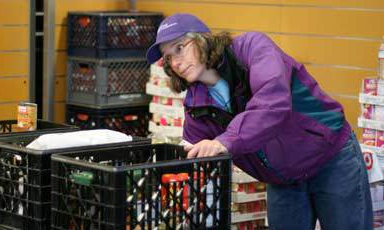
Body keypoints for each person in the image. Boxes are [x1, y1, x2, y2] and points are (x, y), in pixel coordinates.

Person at [146, 13, 372, 229]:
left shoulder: (253, 48)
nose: (175, 62)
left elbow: (273, 102)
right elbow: (193, 160)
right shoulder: (196, 105)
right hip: (282, 177)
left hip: (330, 159)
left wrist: (224, 141)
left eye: (179, 48)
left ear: (202, 40)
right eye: (168, 57)